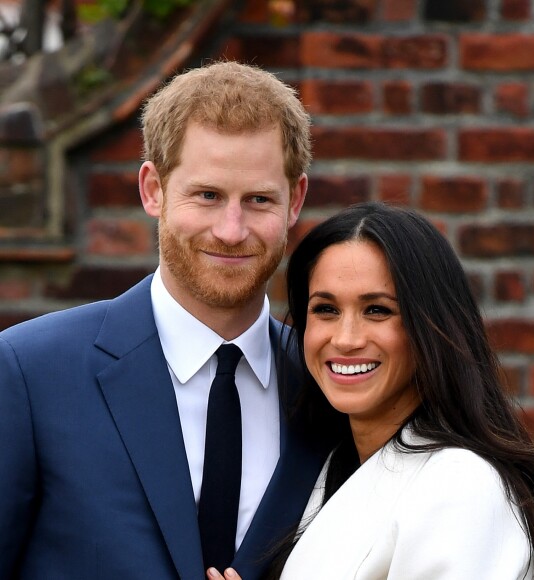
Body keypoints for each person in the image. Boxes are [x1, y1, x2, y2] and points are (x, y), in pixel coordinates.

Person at [0, 61, 330, 580]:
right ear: (153, 189)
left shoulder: (328, 386)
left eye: (259, 200)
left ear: (296, 201)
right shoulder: (30, 371)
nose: (231, 229)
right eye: (208, 195)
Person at [209, 201, 534, 580]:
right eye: (326, 309)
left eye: (377, 310)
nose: (346, 339)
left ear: (432, 327)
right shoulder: (328, 467)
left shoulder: (460, 484)